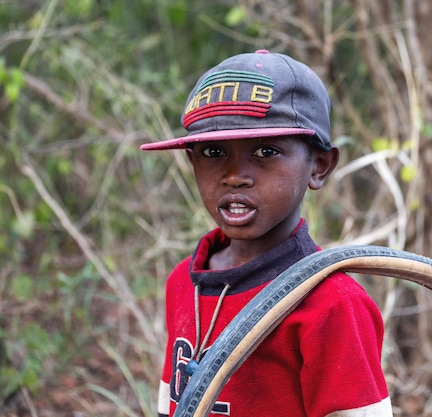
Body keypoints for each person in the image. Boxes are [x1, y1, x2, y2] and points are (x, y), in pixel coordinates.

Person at [141, 50, 392, 417]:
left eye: (265, 151)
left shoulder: (332, 305)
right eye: (213, 151)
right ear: (191, 162)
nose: (234, 175)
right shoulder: (186, 282)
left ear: (319, 167)